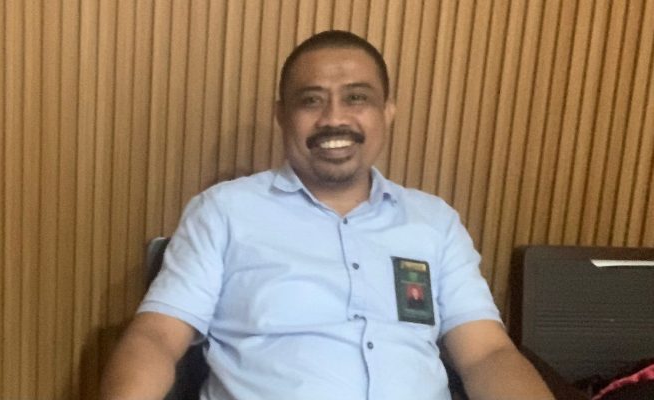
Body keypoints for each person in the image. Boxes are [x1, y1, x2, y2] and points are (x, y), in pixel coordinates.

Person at [100, 30, 554, 400]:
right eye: (311, 100)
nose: (334, 119)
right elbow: (156, 337)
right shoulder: (224, 212)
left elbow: (487, 355)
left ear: (387, 112)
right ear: (282, 116)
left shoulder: (435, 222)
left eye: (356, 98)